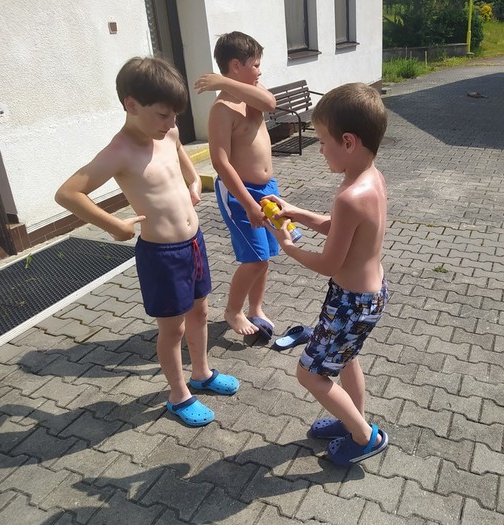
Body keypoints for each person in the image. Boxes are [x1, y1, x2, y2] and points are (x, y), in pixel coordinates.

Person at [55, 57, 239, 428]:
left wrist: (192, 180)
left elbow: (181, 153)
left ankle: (201, 373)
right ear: (132, 105)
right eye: (163, 115)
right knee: (173, 330)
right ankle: (178, 395)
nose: (171, 124)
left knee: (200, 313)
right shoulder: (119, 151)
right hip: (162, 255)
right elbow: (68, 193)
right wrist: (114, 226)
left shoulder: (167, 133)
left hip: (193, 243)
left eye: (175, 116)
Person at [266, 83, 390, 466]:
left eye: (322, 141)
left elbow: (328, 264)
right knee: (346, 358)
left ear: (348, 142)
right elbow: (339, 228)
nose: (319, 149)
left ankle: (363, 436)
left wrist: (288, 246)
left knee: (309, 374)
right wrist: (296, 212)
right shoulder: (369, 178)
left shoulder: (349, 196)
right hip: (366, 297)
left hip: (351, 303)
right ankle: (351, 419)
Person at [193, 31, 279, 340]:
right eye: (255, 65)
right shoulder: (221, 110)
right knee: (254, 258)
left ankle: (256, 308)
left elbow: (270, 103)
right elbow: (220, 162)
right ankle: (233, 310)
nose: (260, 71)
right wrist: (248, 203)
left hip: (268, 189)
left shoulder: (251, 97)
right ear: (236, 65)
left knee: (265, 257)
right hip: (241, 194)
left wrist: (225, 82)